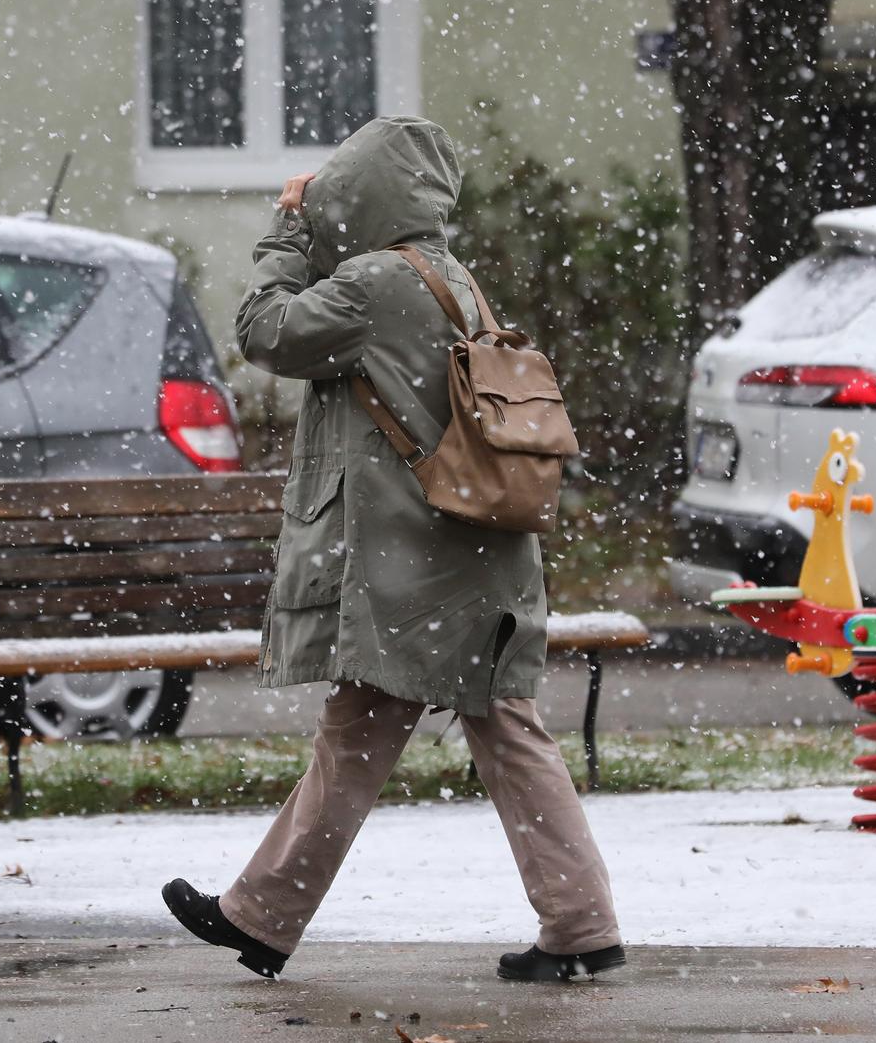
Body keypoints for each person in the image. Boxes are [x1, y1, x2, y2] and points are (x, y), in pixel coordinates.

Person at [162, 116, 624, 983]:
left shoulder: (374, 283)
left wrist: (288, 232)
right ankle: (582, 926)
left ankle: (261, 918)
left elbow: (266, 332)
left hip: (411, 571)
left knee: (361, 738)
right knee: (506, 737)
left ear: (361, 195)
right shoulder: (457, 280)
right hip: (480, 553)